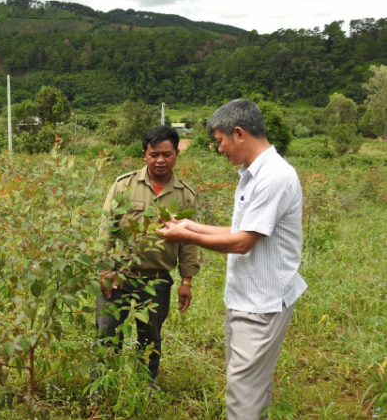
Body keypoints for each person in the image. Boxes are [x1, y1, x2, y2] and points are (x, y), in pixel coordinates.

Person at [158, 99, 307, 420]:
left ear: (239, 133)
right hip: (249, 298)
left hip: (260, 304)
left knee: (243, 397)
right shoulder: (254, 174)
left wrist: (186, 236)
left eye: (220, 141)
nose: (220, 149)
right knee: (250, 389)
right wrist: (190, 224)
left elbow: (241, 243)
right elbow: (243, 229)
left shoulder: (273, 177)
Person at [95, 125, 199, 386]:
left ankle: (145, 387)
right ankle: (103, 387)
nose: (160, 160)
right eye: (154, 154)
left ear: (176, 154)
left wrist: (186, 282)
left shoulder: (185, 195)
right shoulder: (124, 185)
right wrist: (104, 270)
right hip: (118, 276)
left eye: (167, 154)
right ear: (144, 154)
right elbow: (106, 229)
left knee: (150, 335)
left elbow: (188, 242)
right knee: (108, 332)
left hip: (157, 280)